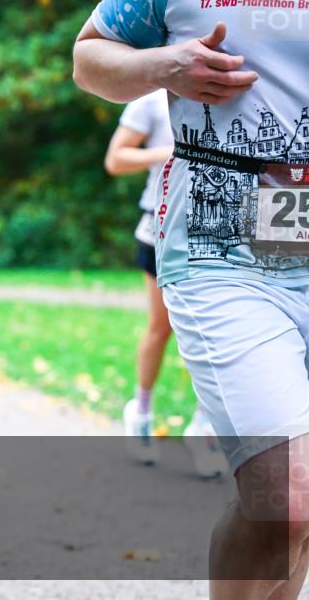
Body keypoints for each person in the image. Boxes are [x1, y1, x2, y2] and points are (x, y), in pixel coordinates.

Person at [73, 0, 309, 597]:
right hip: (224, 256)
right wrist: (165, 66)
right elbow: (89, 59)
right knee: (285, 495)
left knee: (296, 512)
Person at [107, 90, 228, 477]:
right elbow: (116, 159)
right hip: (161, 226)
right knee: (161, 329)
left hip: (219, 227)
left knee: (217, 335)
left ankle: (203, 428)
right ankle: (140, 410)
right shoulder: (150, 99)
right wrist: (171, 152)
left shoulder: (235, 96)